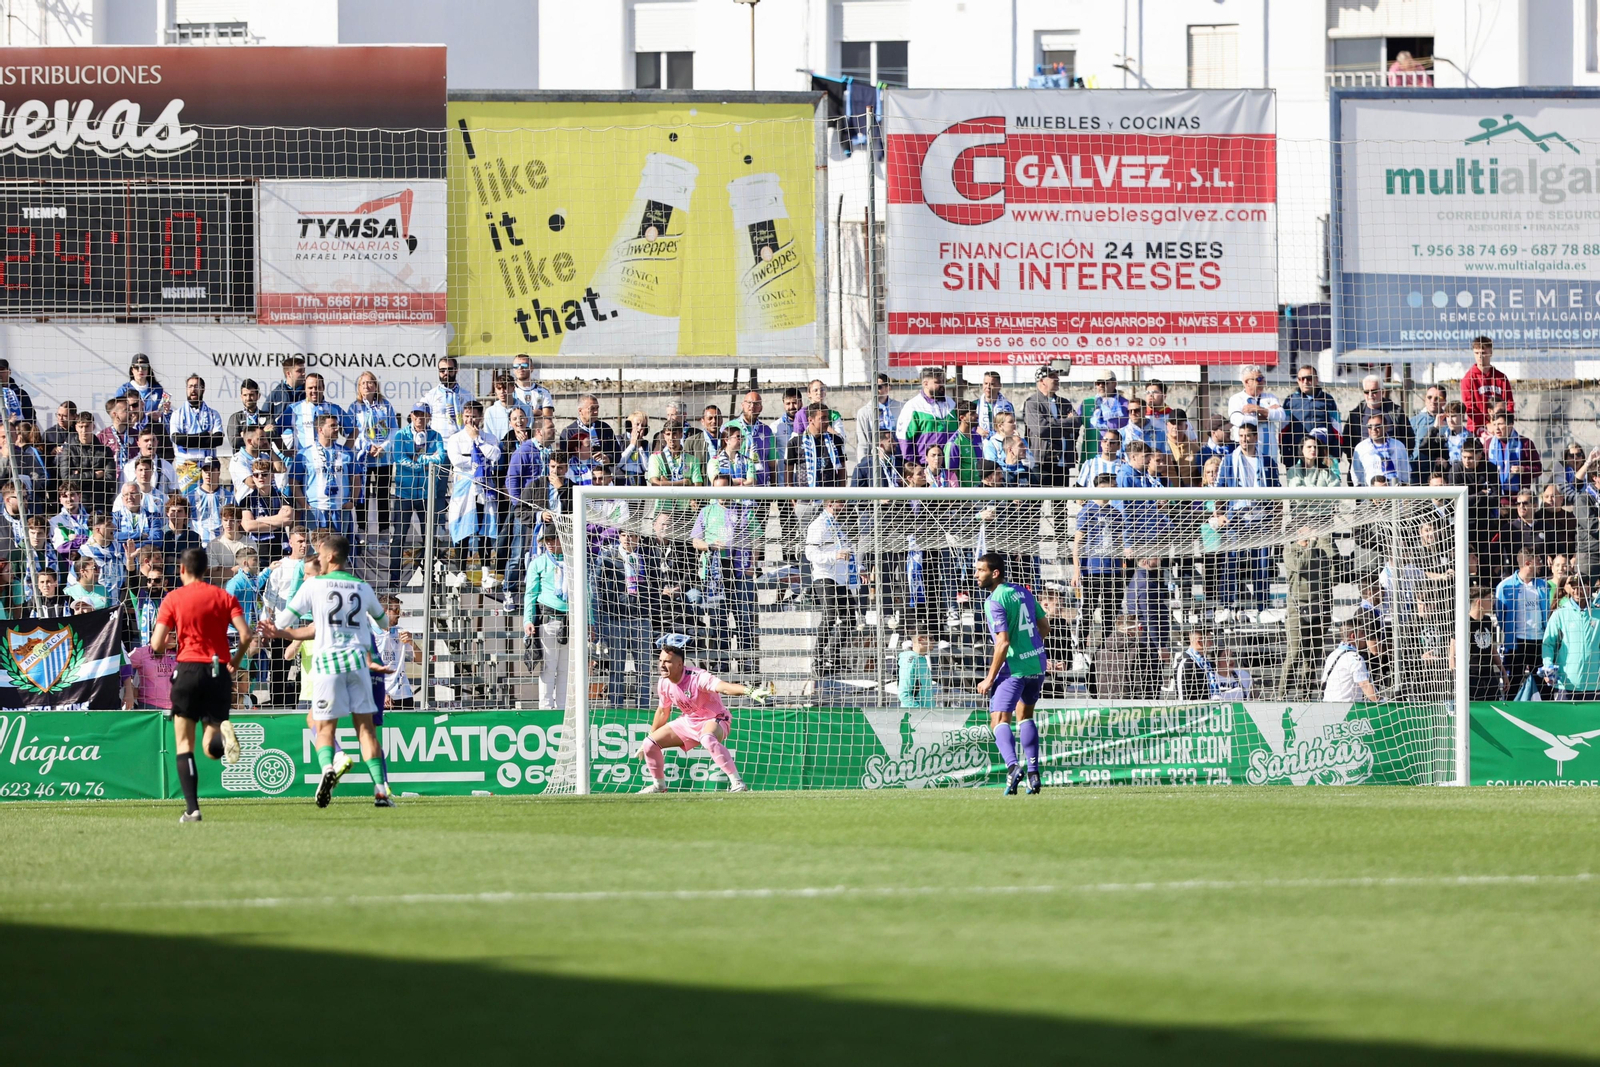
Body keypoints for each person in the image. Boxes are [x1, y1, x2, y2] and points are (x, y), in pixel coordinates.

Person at [264, 533, 390, 807]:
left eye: (320, 554)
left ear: (331, 556)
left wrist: (275, 629)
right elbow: (384, 622)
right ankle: (380, 791)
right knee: (366, 731)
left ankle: (328, 769)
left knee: (324, 728)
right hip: (358, 663)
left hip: (328, 663)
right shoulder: (362, 586)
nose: (318, 558)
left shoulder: (314, 586)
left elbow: (285, 618)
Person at [148, 547, 254, 823]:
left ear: (182, 570)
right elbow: (245, 633)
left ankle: (192, 809)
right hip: (218, 669)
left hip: (188, 670)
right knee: (211, 747)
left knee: (185, 744)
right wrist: (235, 660)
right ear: (206, 571)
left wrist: (171, 643)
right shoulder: (223, 596)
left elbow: (157, 644)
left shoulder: (173, 598)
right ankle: (223, 735)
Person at [636, 633, 771, 794]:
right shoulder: (663, 682)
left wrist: (749, 691)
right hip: (688, 721)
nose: (662, 665)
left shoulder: (697, 677)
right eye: (660, 661)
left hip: (715, 719)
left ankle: (738, 783)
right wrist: (649, 736)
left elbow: (724, 687)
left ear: (680, 664)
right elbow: (663, 711)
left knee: (707, 738)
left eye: (667, 662)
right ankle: (659, 786)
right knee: (650, 744)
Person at [973, 551, 1048, 794]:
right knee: (1025, 716)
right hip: (1036, 664)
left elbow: (1003, 642)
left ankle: (1013, 767)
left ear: (995, 573)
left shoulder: (995, 600)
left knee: (998, 719)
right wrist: (1028, 647)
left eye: (981, 570)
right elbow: (1044, 627)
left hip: (1013, 668)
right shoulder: (1023, 591)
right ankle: (1034, 774)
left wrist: (989, 678)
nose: (976, 575)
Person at [446, 400, 502, 585]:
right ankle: (461, 571)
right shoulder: (455, 438)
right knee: (464, 528)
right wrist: (476, 458)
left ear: (481, 417)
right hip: (464, 490)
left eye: (475, 416)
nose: (471, 420)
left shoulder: (489, 437)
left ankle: (486, 571)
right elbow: (456, 460)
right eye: (467, 416)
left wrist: (477, 440)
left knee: (485, 530)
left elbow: (495, 455)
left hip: (484, 490)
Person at [805, 498, 856, 677]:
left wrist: (861, 568)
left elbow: (847, 549)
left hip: (841, 578)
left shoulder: (838, 525)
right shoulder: (818, 525)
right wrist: (834, 556)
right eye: (841, 502)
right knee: (830, 615)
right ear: (830, 503)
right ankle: (818, 658)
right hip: (825, 576)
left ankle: (833, 657)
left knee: (850, 619)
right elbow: (810, 553)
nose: (844, 506)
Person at [1281, 530, 1335, 699]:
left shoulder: (1319, 549)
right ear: (1298, 532)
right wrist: (1311, 543)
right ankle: (1281, 695)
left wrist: (1323, 538)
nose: (1312, 531)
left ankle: (1305, 695)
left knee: (1312, 655)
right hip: (1297, 609)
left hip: (1319, 607)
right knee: (1295, 653)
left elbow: (1333, 558)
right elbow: (1299, 566)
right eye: (1307, 528)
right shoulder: (1289, 550)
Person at [522, 528, 570, 710]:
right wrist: (528, 620)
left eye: (552, 539)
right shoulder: (537, 563)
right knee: (548, 667)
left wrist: (590, 621)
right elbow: (530, 594)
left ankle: (564, 708)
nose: (549, 543)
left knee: (566, 669)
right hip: (548, 620)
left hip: (571, 621)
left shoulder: (574, 561)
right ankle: (546, 708)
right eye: (546, 540)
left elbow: (586, 592)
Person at [895, 366, 956, 466]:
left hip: (951, 464)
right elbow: (904, 439)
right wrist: (913, 466)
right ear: (925, 384)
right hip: (925, 466)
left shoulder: (950, 403)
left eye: (943, 382)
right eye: (937, 382)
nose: (942, 385)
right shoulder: (913, 406)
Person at [1342, 375, 1412, 459]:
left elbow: (1410, 438)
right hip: (1364, 466)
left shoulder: (1396, 413)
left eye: (1374, 391)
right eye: (1367, 392)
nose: (1370, 395)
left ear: (1382, 391)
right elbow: (1346, 441)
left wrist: (1400, 458)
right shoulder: (1355, 415)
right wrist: (1355, 459)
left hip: (1391, 466)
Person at [1228, 365, 1286, 461]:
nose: (1263, 382)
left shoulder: (1270, 397)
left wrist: (1258, 409)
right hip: (1246, 454)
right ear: (1247, 382)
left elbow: (1281, 415)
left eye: (1263, 378)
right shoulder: (1236, 399)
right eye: (1259, 379)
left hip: (1269, 452)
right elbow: (1238, 420)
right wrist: (1266, 415)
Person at [278, 371, 347, 453]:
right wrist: (285, 451)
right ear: (305, 389)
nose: (314, 391)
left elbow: (354, 430)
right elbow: (275, 432)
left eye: (317, 387)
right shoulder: (293, 410)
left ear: (323, 388)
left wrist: (344, 452)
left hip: (330, 462)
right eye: (310, 388)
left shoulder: (334, 409)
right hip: (304, 462)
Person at [1281, 365, 1340, 458]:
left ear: (1316, 380)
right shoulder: (1290, 401)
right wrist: (1285, 455)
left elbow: (1336, 429)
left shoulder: (1328, 399)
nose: (1305, 382)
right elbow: (1283, 430)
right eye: (1301, 379)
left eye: (1309, 378)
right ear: (1298, 381)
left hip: (1322, 454)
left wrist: (1335, 454)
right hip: (1297, 455)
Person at [1461, 335, 1513, 434]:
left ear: (1490, 353)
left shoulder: (1501, 378)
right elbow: (1469, 407)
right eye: (1476, 353)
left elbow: (1509, 402)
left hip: (1501, 427)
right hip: (1477, 428)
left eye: (1483, 353)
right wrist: (1487, 424)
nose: (1480, 356)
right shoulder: (1468, 379)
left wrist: (1507, 422)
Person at [1485, 410, 1541, 501]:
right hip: (1494, 499)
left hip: (1519, 501)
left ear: (1510, 424)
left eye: (1500, 424)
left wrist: (1523, 469)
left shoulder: (1525, 443)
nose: (1497, 428)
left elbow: (1538, 469)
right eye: (1494, 424)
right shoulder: (1488, 444)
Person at [168, 374, 223, 466]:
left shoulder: (213, 414)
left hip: (208, 465)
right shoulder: (177, 414)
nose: (193, 390)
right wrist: (204, 435)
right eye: (190, 386)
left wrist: (187, 441)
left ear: (203, 389)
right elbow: (177, 439)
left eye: (196, 386)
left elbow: (218, 439)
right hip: (184, 467)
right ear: (186, 389)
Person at [1321, 619, 1379, 702]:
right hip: (1346, 709)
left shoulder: (1333, 654)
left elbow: (1323, 682)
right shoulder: (1355, 658)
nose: (1365, 636)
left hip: (1327, 704)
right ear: (1353, 636)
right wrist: (1382, 702)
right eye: (1362, 633)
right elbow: (1365, 685)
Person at [1352, 412, 1412, 486]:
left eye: (1378, 426)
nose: (1373, 429)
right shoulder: (1361, 448)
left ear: (1386, 427)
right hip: (1370, 494)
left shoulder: (1398, 446)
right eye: (1370, 426)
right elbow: (1356, 475)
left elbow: (1405, 471)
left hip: (1394, 493)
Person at [855, 372, 903, 459]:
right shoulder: (864, 412)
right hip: (875, 457)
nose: (875, 390)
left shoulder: (900, 408)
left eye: (879, 387)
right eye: (872, 387)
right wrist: (862, 463)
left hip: (898, 455)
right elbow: (862, 442)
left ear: (888, 388)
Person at [560, 393, 620, 461]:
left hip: (603, 470)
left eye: (597, 408)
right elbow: (564, 459)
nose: (596, 412)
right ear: (580, 411)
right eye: (592, 408)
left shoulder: (604, 428)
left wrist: (608, 458)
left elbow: (617, 454)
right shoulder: (569, 432)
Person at [1174, 625, 1221, 702]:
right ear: (1199, 642)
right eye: (1209, 640)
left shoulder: (1206, 663)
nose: (1211, 644)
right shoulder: (1185, 664)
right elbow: (1182, 698)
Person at [897, 631, 936, 708]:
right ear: (920, 639)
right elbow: (904, 694)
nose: (934, 641)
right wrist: (920, 712)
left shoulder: (921, 659)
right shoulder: (911, 661)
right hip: (915, 717)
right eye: (931, 638)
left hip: (926, 716)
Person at [264, 355, 306, 422]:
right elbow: (264, 416)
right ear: (289, 374)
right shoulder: (276, 394)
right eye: (299, 371)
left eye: (304, 370)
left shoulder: (310, 393)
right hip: (282, 432)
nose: (304, 373)